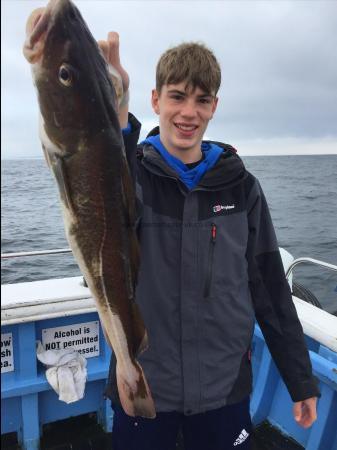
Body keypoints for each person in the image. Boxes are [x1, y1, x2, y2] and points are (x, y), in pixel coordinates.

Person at [99, 32, 320, 450]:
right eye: (177, 96)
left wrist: (300, 379)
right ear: (155, 100)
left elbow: (271, 289)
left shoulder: (242, 189)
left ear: (214, 107)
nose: (188, 112)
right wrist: (114, 113)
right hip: (145, 385)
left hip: (224, 389)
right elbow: (102, 178)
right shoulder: (133, 178)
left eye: (201, 100)